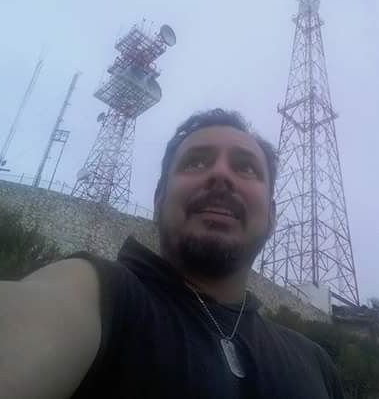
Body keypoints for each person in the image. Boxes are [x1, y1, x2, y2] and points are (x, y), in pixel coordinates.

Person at [0, 109, 345, 398]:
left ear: (271, 216)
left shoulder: (315, 364)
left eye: (245, 167)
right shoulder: (97, 293)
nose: (220, 174)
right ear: (159, 199)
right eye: (196, 162)